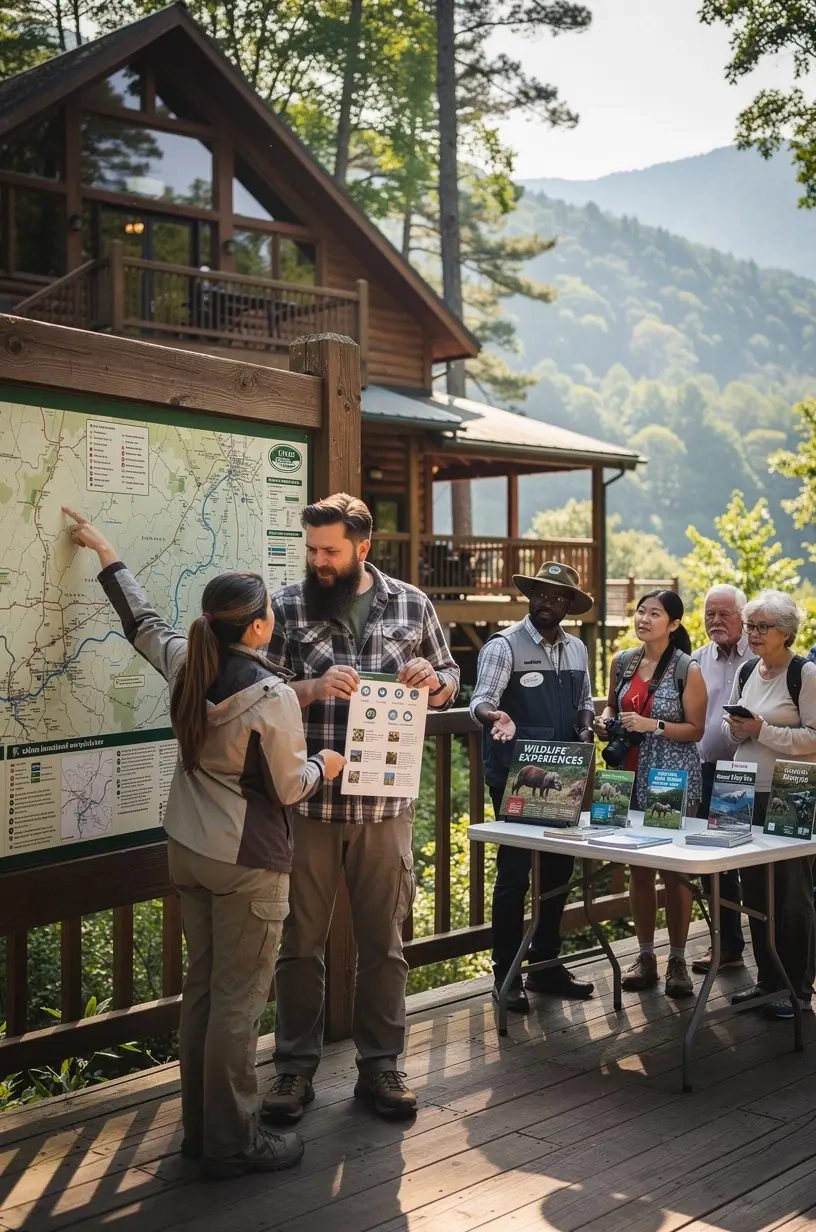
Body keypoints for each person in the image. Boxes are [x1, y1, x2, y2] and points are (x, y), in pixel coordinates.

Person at [62, 508, 345, 1179]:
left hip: (188, 848)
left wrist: (108, 549)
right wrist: (324, 767)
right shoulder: (272, 696)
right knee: (239, 1005)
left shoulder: (189, 661)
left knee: (203, 995)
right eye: (269, 610)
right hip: (247, 863)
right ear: (256, 625)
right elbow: (286, 789)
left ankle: (202, 1128)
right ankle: (231, 1140)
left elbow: (142, 625)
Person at [261, 494, 459, 1125]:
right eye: (311, 549)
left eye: (330, 550)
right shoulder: (287, 606)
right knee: (299, 945)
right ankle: (293, 1069)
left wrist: (435, 678)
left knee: (385, 945)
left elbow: (453, 677)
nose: (317, 561)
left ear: (362, 549)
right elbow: (257, 693)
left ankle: (382, 1066)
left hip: (385, 808)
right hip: (309, 806)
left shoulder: (413, 604)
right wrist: (313, 687)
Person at [470, 561, 597, 1015]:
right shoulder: (504, 645)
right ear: (531, 597)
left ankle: (546, 966)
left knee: (559, 873)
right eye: (542, 594)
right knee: (514, 876)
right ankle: (507, 973)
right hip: (516, 777)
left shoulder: (578, 650)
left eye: (559, 597)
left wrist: (587, 727)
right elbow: (480, 700)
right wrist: (494, 716)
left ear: (568, 605)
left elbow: (584, 703)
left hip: (565, 775)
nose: (549, 602)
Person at [597, 590, 706, 998]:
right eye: (641, 611)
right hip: (626, 774)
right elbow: (611, 706)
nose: (644, 619)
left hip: (671, 779)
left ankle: (678, 958)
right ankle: (646, 956)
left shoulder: (686, 668)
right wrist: (606, 723)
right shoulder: (623, 662)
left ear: (673, 624)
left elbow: (696, 729)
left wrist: (651, 725)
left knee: (675, 871)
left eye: (654, 613)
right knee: (637, 869)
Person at [723, 590, 816, 1019]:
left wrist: (761, 730)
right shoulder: (746, 669)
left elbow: (814, 739)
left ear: (786, 631)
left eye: (763, 627)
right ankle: (766, 982)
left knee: (791, 895)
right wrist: (739, 729)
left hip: (790, 794)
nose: (754, 634)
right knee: (755, 892)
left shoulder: (805, 674)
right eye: (751, 626)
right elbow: (736, 734)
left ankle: (796, 989)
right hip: (741, 791)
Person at [690, 584, 752, 974]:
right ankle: (728, 946)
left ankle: (774, 953)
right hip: (710, 772)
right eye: (710, 613)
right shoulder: (697, 659)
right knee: (719, 864)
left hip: (752, 771)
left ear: (743, 617)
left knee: (760, 863)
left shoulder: (761, 656)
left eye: (724, 614)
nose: (716, 621)